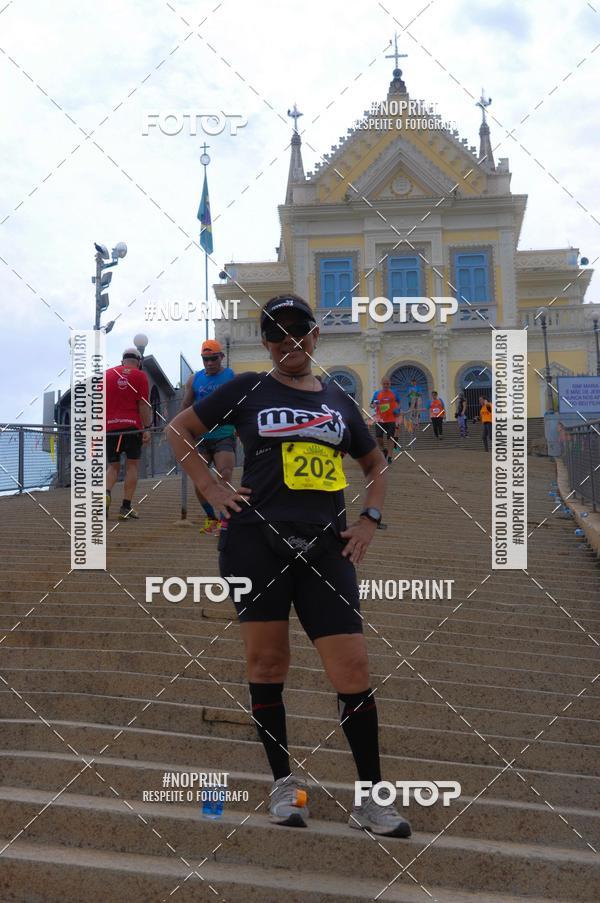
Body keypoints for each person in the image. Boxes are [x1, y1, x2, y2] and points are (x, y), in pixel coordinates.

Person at [167, 293, 411, 839]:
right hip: (255, 543)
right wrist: (210, 487)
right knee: (268, 664)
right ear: (266, 342)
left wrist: (370, 517)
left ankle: (372, 798)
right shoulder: (248, 386)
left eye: (298, 330)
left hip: (327, 547)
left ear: (315, 335)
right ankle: (284, 784)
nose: (288, 342)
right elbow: (178, 429)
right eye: (276, 333)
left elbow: (375, 462)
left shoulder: (340, 401)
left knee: (353, 669)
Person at [180, 340, 236, 533]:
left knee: (225, 473)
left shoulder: (230, 376)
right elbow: (185, 406)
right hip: (202, 436)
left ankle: (224, 520)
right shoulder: (194, 380)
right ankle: (211, 518)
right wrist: (180, 429)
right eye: (205, 359)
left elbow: (239, 402)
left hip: (225, 433)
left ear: (221, 357)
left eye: (213, 358)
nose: (209, 363)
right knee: (199, 480)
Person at [105, 348, 151, 519]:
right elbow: (143, 405)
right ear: (139, 361)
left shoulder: (107, 375)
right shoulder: (140, 376)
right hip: (132, 427)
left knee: (113, 466)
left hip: (110, 428)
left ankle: (105, 494)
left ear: (122, 360)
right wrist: (146, 427)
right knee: (132, 465)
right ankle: (126, 507)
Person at [370, 378, 401, 464]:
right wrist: (374, 405)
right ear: (382, 384)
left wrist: (397, 409)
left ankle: (390, 457)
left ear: (390, 384)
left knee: (390, 438)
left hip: (391, 419)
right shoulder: (377, 393)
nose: (386, 385)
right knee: (378, 437)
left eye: (387, 384)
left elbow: (398, 403)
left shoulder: (394, 393)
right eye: (384, 384)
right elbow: (372, 405)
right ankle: (384, 450)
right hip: (380, 419)